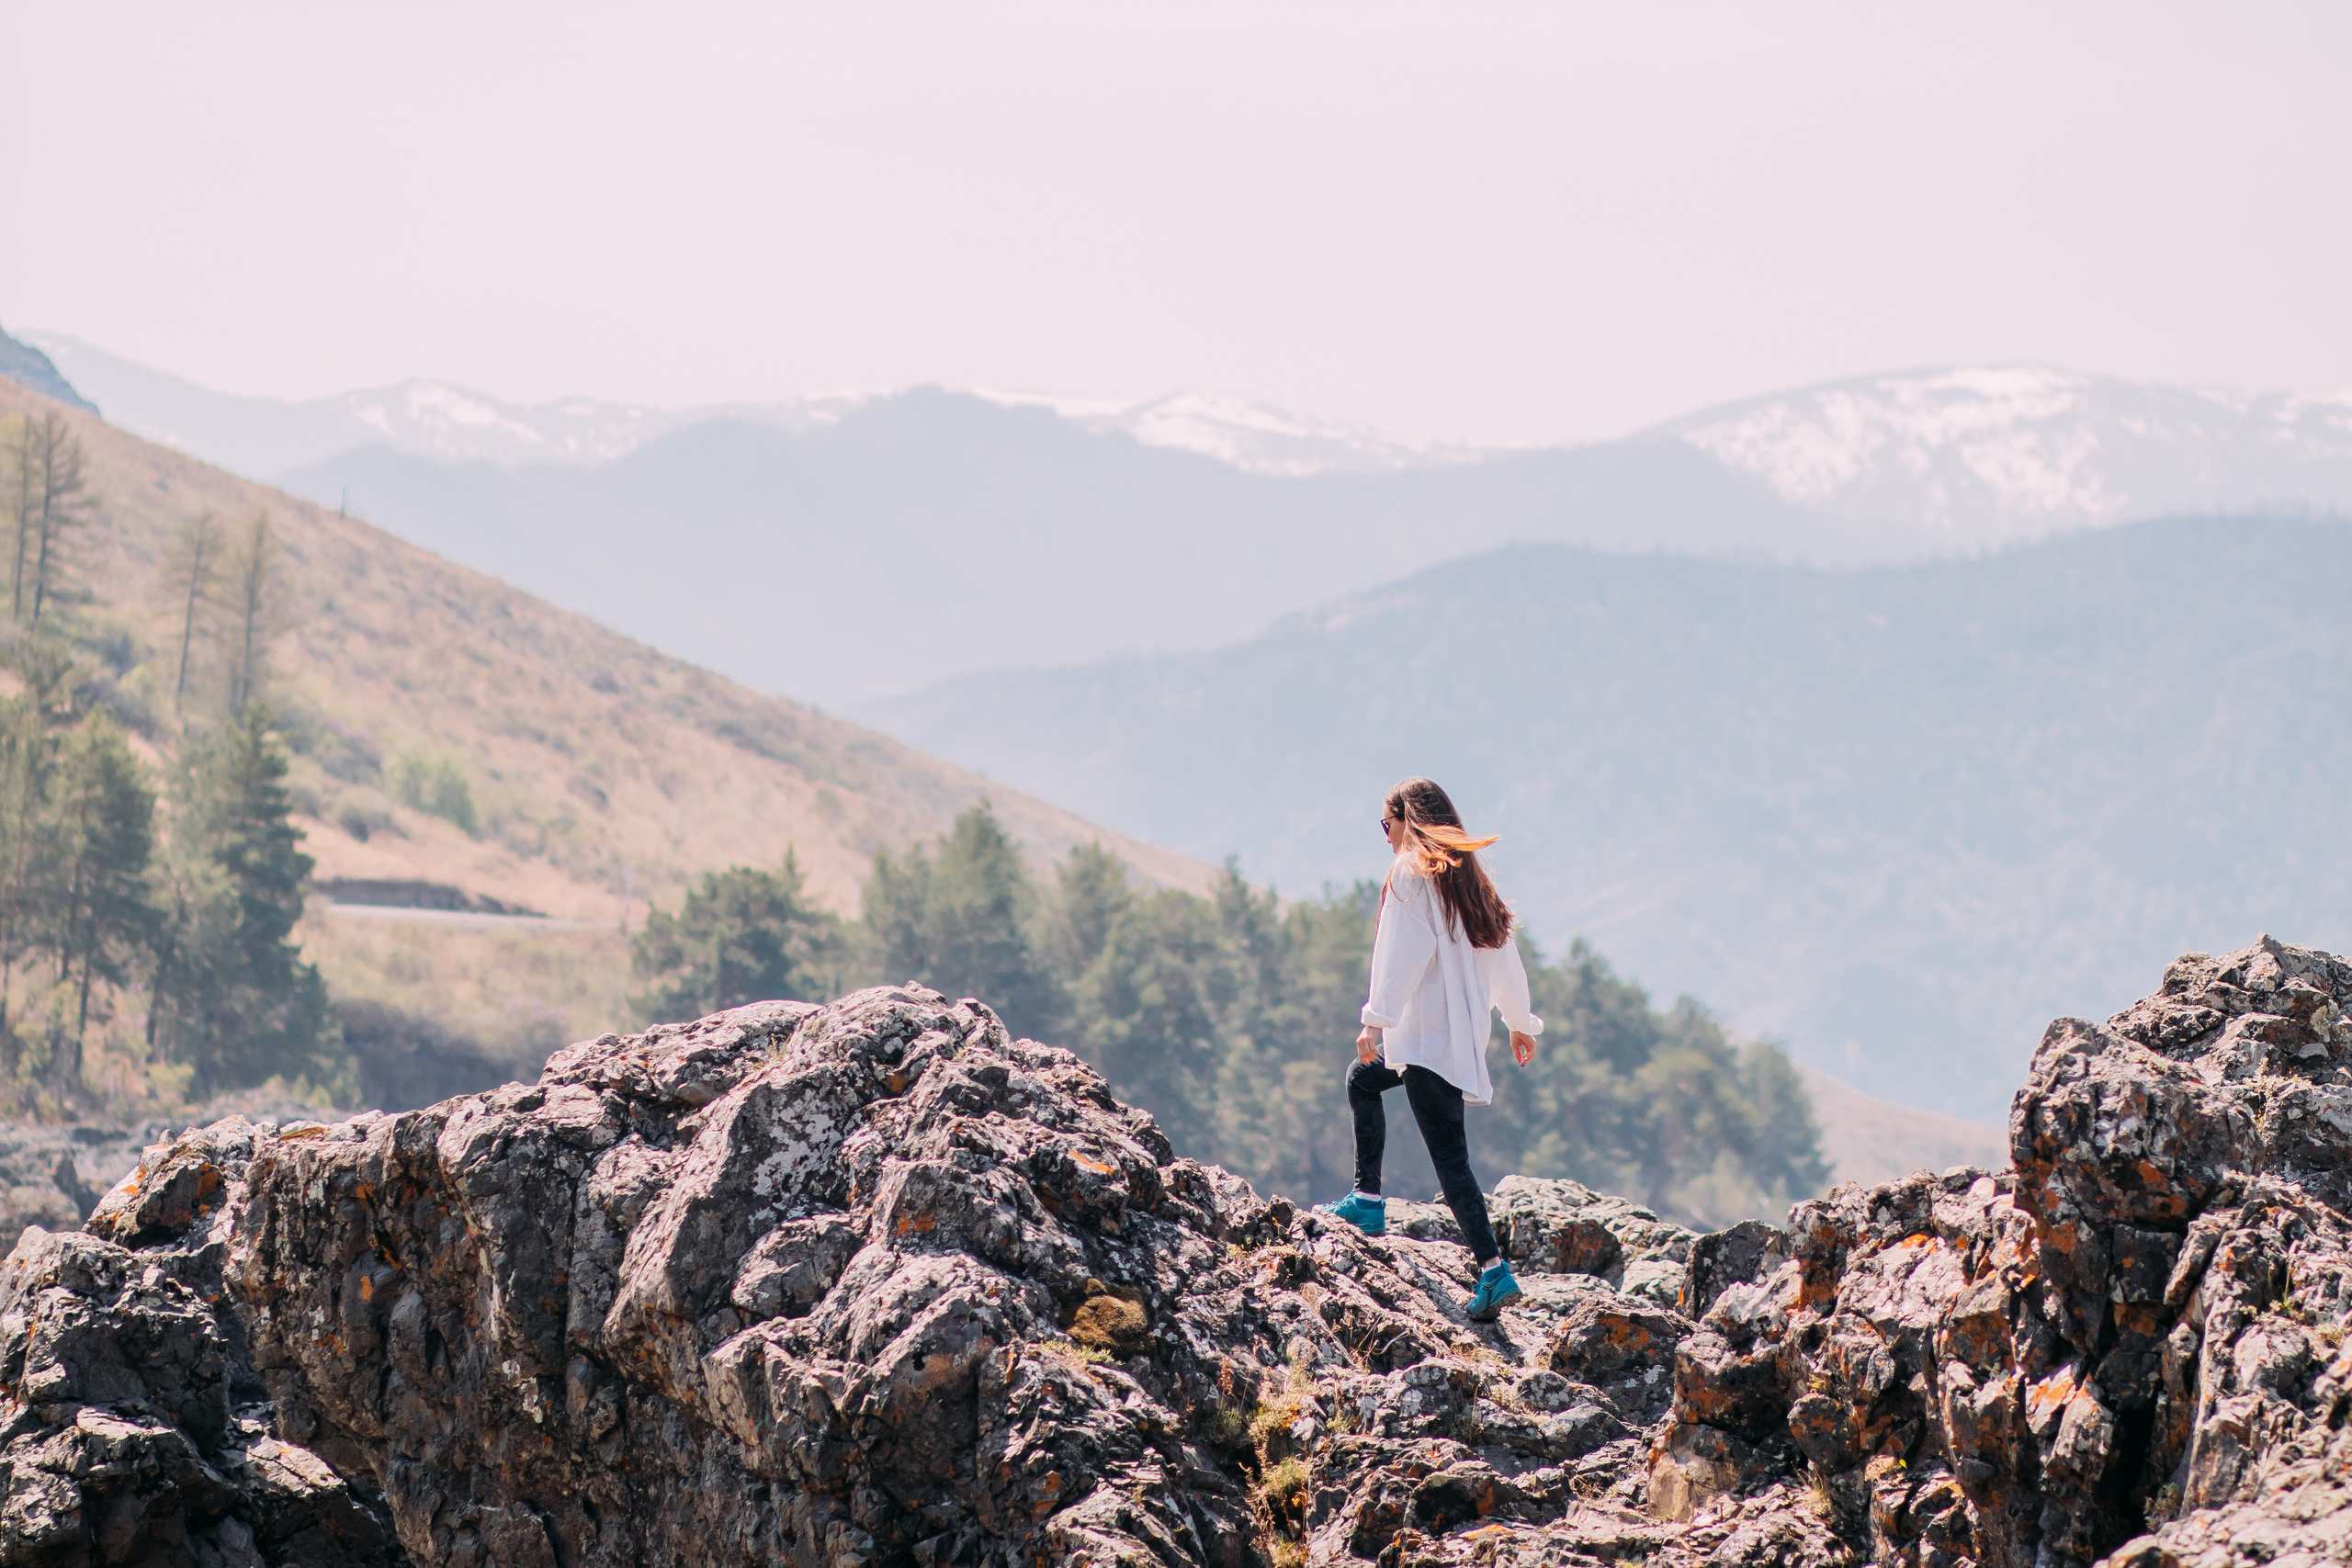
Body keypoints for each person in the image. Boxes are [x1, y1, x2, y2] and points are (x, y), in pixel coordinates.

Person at [1317, 777, 1542, 1321]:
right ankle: (1368, 1202)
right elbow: (1504, 957)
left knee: (1451, 1160)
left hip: (1422, 1042)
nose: (1385, 837)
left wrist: (1375, 1021)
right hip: (1448, 1041)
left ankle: (1492, 1270)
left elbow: (1400, 955)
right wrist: (1518, 1022)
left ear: (1405, 819)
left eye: (1385, 824)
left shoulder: (1411, 875)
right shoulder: (1468, 882)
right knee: (1362, 1080)